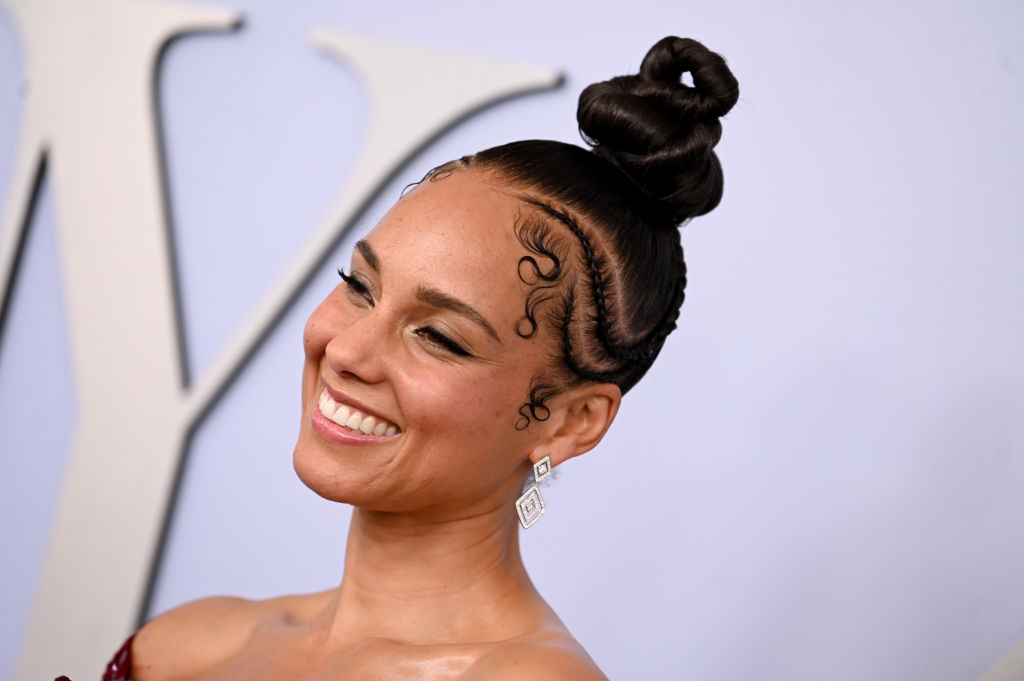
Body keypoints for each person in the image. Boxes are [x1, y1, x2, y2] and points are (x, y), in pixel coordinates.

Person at [95, 35, 738, 681]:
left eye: (439, 336)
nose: (345, 351)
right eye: (359, 287)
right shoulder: (185, 640)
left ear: (572, 421)